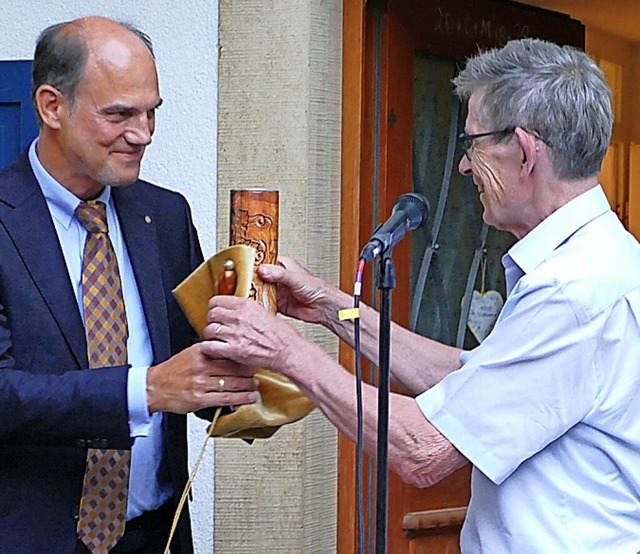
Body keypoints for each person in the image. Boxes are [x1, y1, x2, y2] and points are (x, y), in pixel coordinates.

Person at [203, 38, 640, 552]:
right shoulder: (602, 260)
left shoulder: (573, 291)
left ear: (524, 150)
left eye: (472, 142)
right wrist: (331, 308)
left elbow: (423, 449)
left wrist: (283, 351)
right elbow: (473, 383)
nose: (462, 165)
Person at [0, 16, 259, 554]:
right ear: (52, 107)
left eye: (151, 112)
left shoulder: (163, 215)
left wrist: (267, 372)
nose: (142, 133)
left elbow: (195, 366)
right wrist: (145, 390)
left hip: (154, 536)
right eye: (119, 114)